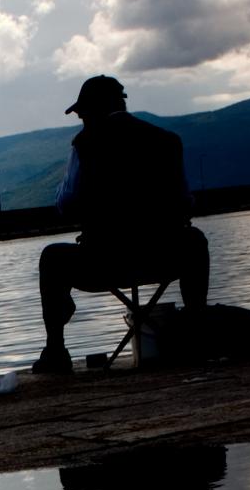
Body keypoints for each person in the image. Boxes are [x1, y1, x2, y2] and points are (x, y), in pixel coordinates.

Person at [34, 75, 209, 373]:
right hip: (165, 257)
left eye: (82, 114)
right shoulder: (168, 141)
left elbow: (65, 205)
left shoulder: (85, 145)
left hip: (105, 263)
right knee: (195, 239)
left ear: (92, 110)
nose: (80, 120)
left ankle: (56, 351)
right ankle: (196, 332)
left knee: (51, 258)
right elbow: (185, 200)